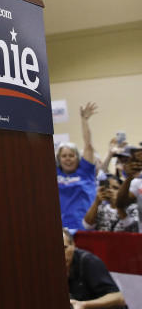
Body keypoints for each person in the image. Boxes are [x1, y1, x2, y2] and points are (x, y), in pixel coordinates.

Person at [59, 103, 100, 233]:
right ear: (58, 159)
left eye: (71, 155)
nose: (68, 159)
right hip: (60, 230)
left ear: (78, 158)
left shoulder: (85, 171)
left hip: (84, 228)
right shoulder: (54, 172)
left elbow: (88, 146)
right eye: (64, 156)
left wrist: (84, 121)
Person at [64, 229, 127, 308]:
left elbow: (119, 298)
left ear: (73, 245)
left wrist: (83, 305)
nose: (61, 253)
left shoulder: (89, 262)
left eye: (64, 247)